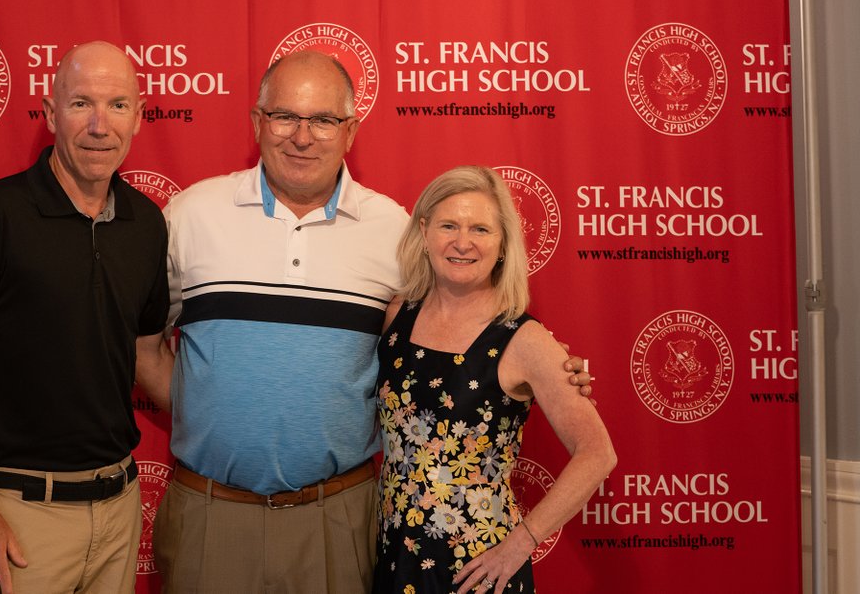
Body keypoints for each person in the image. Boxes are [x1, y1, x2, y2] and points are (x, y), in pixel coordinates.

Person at [133, 51, 593, 594]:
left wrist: (546, 363)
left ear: (350, 131)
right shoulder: (190, 215)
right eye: (285, 116)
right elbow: (146, 348)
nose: (302, 137)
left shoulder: (394, 231)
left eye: (324, 120)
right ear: (258, 122)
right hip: (212, 513)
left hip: (340, 518)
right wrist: (219, 412)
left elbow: (448, 335)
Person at [0, 41, 169, 594]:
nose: (100, 125)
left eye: (118, 105)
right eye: (81, 104)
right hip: (20, 518)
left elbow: (147, 355)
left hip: (120, 509)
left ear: (139, 117)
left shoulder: (147, 224)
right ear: (51, 114)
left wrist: (238, 423)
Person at [373, 166, 615, 594]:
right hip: (395, 559)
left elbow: (597, 454)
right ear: (424, 231)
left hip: (479, 574)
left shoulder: (524, 339)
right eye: (449, 225)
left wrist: (521, 543)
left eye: (481, 229)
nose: (463, 242)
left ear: (503, 245)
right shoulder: (397, 315)